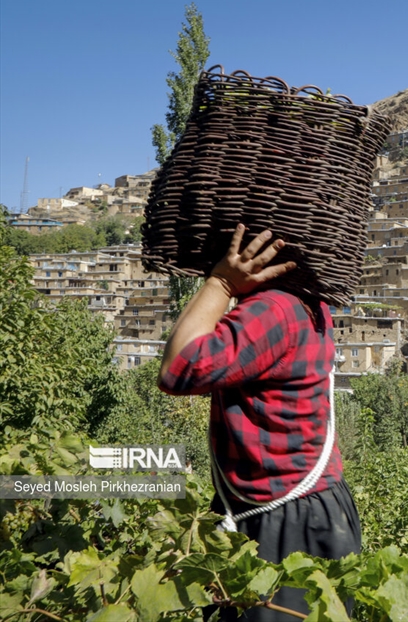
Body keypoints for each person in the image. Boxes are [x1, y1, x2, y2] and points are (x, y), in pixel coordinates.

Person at [159, 225, 360, 621]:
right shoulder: (306, 302)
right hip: (315, 509)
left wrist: (220, 282)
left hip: (282, 521)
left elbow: (176, 369)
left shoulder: (272, 310)